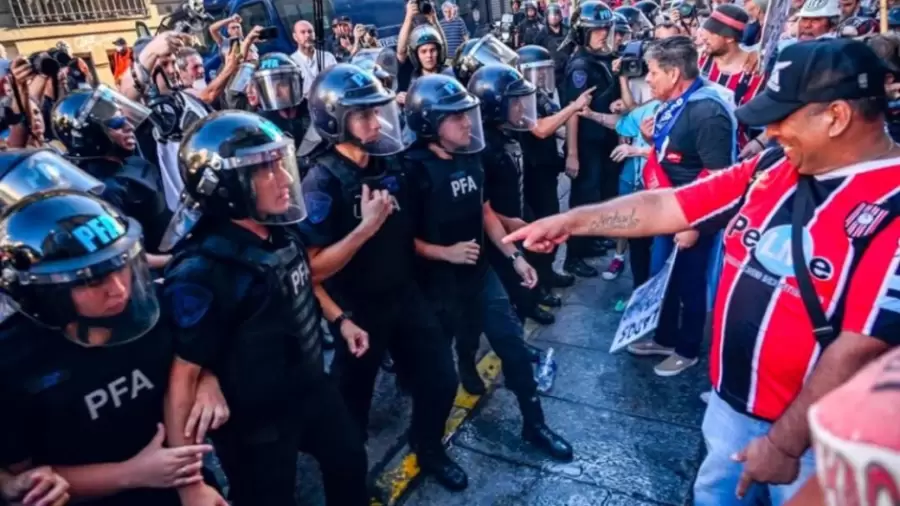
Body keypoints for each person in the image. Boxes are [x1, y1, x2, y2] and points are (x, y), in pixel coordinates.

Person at [506, 38, 900, 506]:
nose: (771, 132)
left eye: (783, 118)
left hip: (812, 442)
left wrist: (784, 443)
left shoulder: (890, 207)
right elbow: (673, 204)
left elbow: (858, 349)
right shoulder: (774, 165)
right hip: (732, 411)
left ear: (836, 116)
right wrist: (574, 221)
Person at [161, 111, 369, 506]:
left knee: (349, 459)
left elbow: (299, 282)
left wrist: (339, 320)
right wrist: (188, 483)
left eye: (280, 164)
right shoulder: (201, 270)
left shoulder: (278, 229)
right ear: (227, 184)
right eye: (267, 170)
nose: (287, 179)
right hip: (255, 422)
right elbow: (179, 378)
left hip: (309, 385)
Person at [0, 182, 228, 506]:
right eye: (94, 281)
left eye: (121, 267)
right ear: (43, 292)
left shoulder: (148, 308)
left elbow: (185, 361)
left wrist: (206, 380)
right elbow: (29, 481)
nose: (119, 289)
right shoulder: (13, 362)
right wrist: (133, 472)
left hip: (177, 477)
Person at [299, 63, 466, 491]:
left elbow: (410, 231)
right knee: (351, 407)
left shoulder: (391, 162)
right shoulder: (322, 181)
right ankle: (351, 481)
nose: (376, 122)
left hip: (403, 295)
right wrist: (365, 229)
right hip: (357, 310)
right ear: (335, 120)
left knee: (441, 379)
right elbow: (311, 269)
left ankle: (428, 448)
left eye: (377, 112)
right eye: (363, 114)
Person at [404, 72, 574, 462]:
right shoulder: (410, 170)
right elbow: (401, 239)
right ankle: (428, 446)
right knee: (438, 379)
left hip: (480, 275)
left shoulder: (471, 156)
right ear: (429, 123)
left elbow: (484, 212)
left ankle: (535, 424)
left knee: (513, 347)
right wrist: (442, 252)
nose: (467, 122)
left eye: (468, 114)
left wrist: (515, 259)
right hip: (434, 288)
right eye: (455, 117)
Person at [50, 86, 172, 261]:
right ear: (94, 135)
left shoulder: (132, 162)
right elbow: (125, 255)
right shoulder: (102, 189)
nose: (129, 127)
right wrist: (176, 260)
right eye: (117, 125)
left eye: (125, 120)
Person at [562, 0, 622, 278]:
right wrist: (572, 152)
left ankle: (589, 243)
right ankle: (573, 256)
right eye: (596, 29)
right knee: (583, 199)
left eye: (605, 28)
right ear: (582, 32)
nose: (603, 33)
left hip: (602, 140)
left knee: (597, 195)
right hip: (586, 144)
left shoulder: (600, 58)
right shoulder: (580, 66)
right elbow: (573, 111)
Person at [252, 52, 310, 151]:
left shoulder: (314, 113)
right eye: (270, 87)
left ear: (297, 84)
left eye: (282, 84)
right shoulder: (261, 123)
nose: (276, 92)